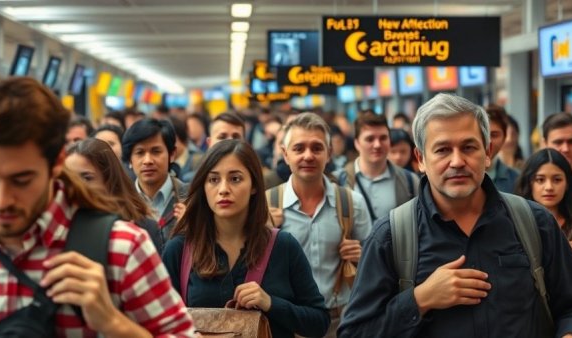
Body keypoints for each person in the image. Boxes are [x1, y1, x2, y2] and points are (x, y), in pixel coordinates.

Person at [339, 93, 572, 337]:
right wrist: (420, 300)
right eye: (443, 150)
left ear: (487, 152)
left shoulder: (534, 223)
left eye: (468, 147)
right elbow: (355, 332)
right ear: (421, 159)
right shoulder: (391, 238)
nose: (457, 161)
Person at [0, 76, 195, 336]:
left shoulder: (120, 250)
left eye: (21, 180)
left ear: (57, 162)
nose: (1, 200)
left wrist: (112, 322)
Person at [162, 139, 330, 338]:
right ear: (203, 186)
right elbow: (159, 324)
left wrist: (270, 303)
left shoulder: (283, 246)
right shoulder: (180, 250)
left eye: (235, 179)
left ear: (254, 186)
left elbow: (319, 322)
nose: (223, 189)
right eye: (214, 180)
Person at [269, 112, 372, 337]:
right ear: (285, 155)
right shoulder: (265, 207)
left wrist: (361, 255)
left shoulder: (351, 203)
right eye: (298, 149)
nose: (308, 156)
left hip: (341, 322)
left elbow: (376, 267)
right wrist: (263, 231)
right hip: (287, 323)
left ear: (329, 153)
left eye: (317, 148)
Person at [65, 138, 163, 251]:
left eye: (87, 178)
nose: (77, 186)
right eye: (70, 179)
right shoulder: (58, 227)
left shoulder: (142, 230)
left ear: (108, 179)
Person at [337, 112, 419, 223]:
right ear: (356, 143)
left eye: (383, 138)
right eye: (370, 139)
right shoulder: (338, 180)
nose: (377, 145)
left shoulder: (410, 181)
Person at [122, 118, 189, 251]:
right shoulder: (121, 203)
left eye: (156, 151)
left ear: (172, 154)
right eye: (140, 153)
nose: (148, 160)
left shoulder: (191, 197)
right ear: (130, 159)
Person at [515, 148, 572, 267]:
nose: (549, 187)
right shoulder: (515, 224)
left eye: (557, 180)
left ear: (567, 183)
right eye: (540, 180)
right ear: (529, 183)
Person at [542, 112, 572, 212]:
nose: (565, 148)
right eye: (558, 142)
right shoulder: (531, 182)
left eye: (571, 141)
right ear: (544, 143)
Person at [484, 104, 520, 193]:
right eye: (484, 134)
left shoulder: (516, 179)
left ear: (504, 138)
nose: (489, 141)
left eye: (494, 135)